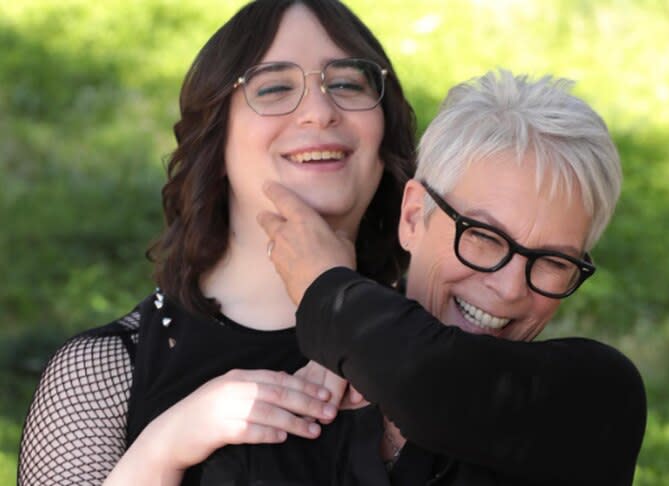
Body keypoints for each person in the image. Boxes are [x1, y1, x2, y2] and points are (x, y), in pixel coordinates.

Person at [17, 1, 415, 484]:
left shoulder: (440, 344)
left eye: (348, 83)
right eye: (274, 88)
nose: (319, 111)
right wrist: (164, 448)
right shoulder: (99, 375)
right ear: (217, 136)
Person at [255, 70, 647, 484]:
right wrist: (180, 438)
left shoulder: (594, 403)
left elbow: (427, 383)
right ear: (412, 217)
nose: (510, 288)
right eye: (483, 237)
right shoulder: (284, 410)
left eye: (553, 261)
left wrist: (327, 287)